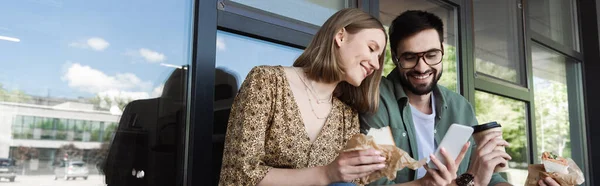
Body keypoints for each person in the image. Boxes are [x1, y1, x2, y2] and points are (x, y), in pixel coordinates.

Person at [219, 8, 389, 186]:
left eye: (379, 57)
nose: (376, 65)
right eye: (371, 49)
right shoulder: (267, 82)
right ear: (340, 36)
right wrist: (326, 174)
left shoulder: (347, 117)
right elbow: (238, 174)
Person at [360, 10, 514, 186]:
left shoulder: (460, 106)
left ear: (442, 50)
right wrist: (468, 182)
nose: (422, 67)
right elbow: (373, 184)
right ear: (395, 57)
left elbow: (490, 178)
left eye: (431, 55)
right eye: (410, 58)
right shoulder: (376, 98)